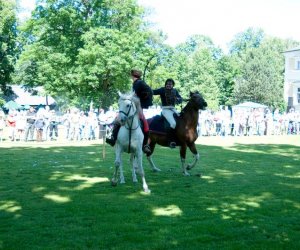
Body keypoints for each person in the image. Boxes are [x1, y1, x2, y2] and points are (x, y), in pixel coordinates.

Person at [106, 69, 153, 154]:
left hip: (136, 107)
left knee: (118, 120)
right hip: (135, 106)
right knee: (145, 123)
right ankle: (145, 145)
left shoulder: (138, 83)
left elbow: (142, 93)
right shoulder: (139, 83)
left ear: (132, 76)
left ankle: (113, 138)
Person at [152, 78, 182, 148]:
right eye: (168, 84)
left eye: (170, 84)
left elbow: (180, 99)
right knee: (173, 123)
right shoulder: (162, 90)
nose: (169, 85)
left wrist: (179, 99)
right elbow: (154, 92)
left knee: (181, 121)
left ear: (172, 85)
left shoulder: (175, 91)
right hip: (165, 110)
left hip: (173, 109)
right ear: (165, 84)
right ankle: (171, 141)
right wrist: (147, 89)